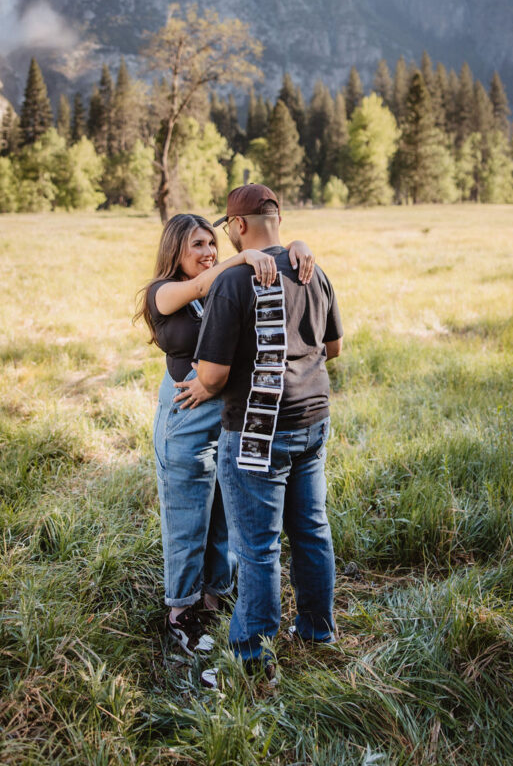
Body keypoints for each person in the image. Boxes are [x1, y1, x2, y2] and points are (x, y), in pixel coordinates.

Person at [134, 212, 315, 656]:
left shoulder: (224, 282)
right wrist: (243, 257)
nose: (208, 252)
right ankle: (181, 613)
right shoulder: (164, 292)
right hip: (186, 419)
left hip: (229, 417)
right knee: (186, 520)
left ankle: (215, 595)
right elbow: (198, 288)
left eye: (212, 244)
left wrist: (293, 247)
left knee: (223, 518)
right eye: (197, 245)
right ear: (175, 249)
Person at [194, 184, 343, 682]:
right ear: (277, 219)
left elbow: (212, 375)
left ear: (238, 226)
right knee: (312, 529)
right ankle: (318, 633)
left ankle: (252, 660)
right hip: (313, 420)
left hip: (259, 432)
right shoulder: (311, 269)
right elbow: (335, 347)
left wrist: (195, 384)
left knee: (257, 548)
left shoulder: (234, 283)